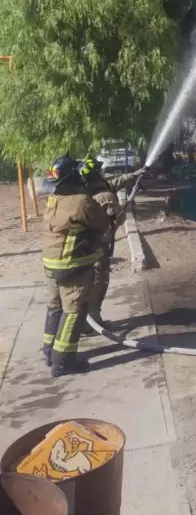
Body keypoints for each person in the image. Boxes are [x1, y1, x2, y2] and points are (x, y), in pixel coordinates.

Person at [42, 154, 111, 376]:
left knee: (55, 306)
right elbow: (102, 224)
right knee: (73, 311)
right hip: (72, 266)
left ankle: (49, 351)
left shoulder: (53, 198)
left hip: (51, 265)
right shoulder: (82, 201)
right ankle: (63, 362)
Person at [78, 154, 136, 327]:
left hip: (82, 249)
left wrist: (133, 175)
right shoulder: (105, 197)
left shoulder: (85, 192)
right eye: (100, 171)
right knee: (99, 281)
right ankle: (92, 323)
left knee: (85, 284)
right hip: (97, 250)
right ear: (95, 175)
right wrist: (123, 210)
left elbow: (113, 184)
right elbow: (114, 224)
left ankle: (85, 321)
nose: (104, 173)